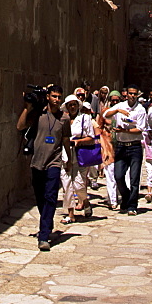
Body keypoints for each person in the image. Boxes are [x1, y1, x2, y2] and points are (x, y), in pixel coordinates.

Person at [17, 84, 71, 251]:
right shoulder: (39, 114)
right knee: (40, 197)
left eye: (59, 97)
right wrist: (27, 108)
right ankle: (47, 220)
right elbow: (20, 126)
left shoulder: (64, 118)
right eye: (54, 96)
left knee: (50, 197)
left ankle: (44, 235)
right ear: (48, 97)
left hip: (54, 162)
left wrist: (69, 158)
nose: (56, 100)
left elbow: (66, 140)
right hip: (37, 162)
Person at [104, 84, 148, 215]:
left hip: (134, 146)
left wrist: (124, 130)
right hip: (121, 146)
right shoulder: (120, 106)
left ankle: (132, 205)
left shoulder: (140, 109)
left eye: (135, 94)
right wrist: (117, 111)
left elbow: (140, 129)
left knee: (134, 178)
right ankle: (126, 196)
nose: (132, 96)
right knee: (118, 175)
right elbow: (106, 114)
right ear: (126, 94)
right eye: (130, 93)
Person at [59, 95, 89, 224]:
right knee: (66, 184)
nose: (72, 107)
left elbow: (91, 137)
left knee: (79, 184)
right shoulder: (61, 119)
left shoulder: (84, 118)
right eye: (70, 105)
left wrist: (78, 141)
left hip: (79, 154)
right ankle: (70, 213)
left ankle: (85, 201)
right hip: (64, 155)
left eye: (74, 104)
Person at [97, 89, 119, 207]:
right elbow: (99, 127)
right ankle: (113, 199)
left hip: (120, 147)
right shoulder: (105, 112)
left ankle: (119, 195)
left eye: (117, 100)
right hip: (108, 146)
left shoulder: (123, 112)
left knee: (120, 173)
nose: (115, 102)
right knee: (110, 173)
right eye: (113, 100)